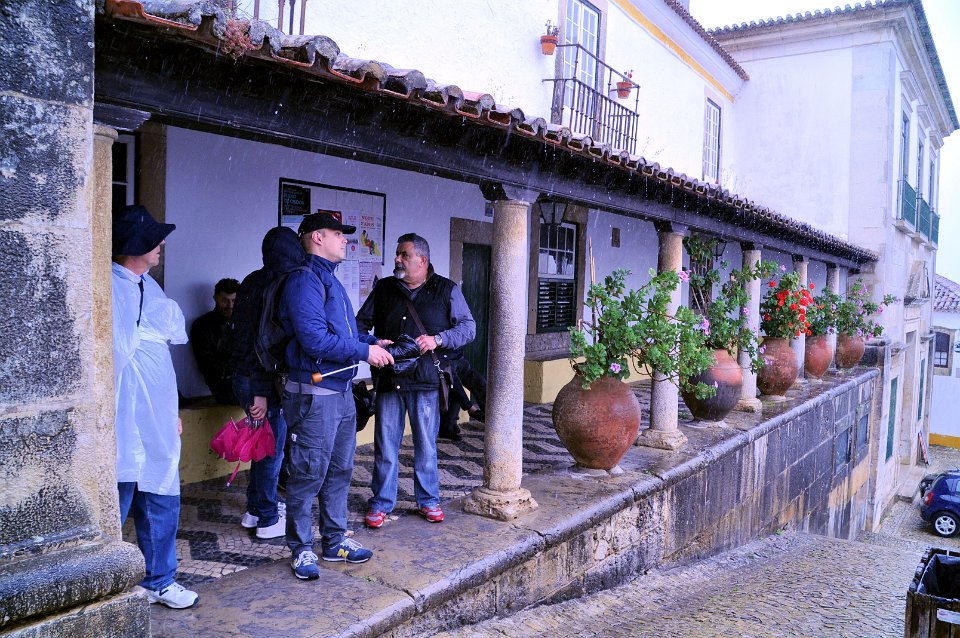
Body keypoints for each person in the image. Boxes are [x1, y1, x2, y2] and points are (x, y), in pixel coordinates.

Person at [279, 212, 394, 580]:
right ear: (317, 237)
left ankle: (333, 540)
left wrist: (371, 342)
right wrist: (363, 352)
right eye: (337, 234)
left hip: (341, 394)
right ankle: (301, 548)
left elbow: (343, 333)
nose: (345, 240)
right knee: (307, 473)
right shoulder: (304, 281)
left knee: (340, 471)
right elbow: (314, 340)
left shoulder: (330, 279)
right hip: (314, 396)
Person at [357, 233, 476, 529]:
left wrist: (439, 339)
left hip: (425, 382)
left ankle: (428, 500)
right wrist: (372, 343)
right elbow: (358, 325)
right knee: (386, 445)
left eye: (404, 255)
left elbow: (468, 327)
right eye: (398, 254)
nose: (397, 259)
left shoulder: (446, 289)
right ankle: (381, 502)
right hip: (389, 379)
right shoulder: (384, 288)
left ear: (422, 260)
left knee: (426, 445)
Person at [112, 205, 198, 609]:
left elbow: (158, 356)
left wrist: (168, 412)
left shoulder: (148, 286)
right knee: (118, 496)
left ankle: (159, 579)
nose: (161, 244)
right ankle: (105, 586)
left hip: (156, 416)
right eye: (154, 238)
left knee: (160, 493)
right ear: (136, 245)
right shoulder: (112, 288)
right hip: (124, 416)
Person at [230, 227, 306, 539]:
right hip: (260, 381)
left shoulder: (252, 279)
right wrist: (261, 391)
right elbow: (263, 344)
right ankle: (267, 517)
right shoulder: (280, 284)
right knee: (271, 451)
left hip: (242, 376)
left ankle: (254, 509)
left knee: (262, 445)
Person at [191, 278, 240, 404]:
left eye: (234, 301)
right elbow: (207, 366)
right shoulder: (202, 326)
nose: (230, 306)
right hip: (223, 384)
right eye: (225, 300)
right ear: (215, 298)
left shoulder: (245, 323)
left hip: (246, 381)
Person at [438, 356, 487, 441]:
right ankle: (450, 424)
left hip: (457, 357)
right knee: (453, 385)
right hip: (439, 360)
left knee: (480, 384)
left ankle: (493, 417)